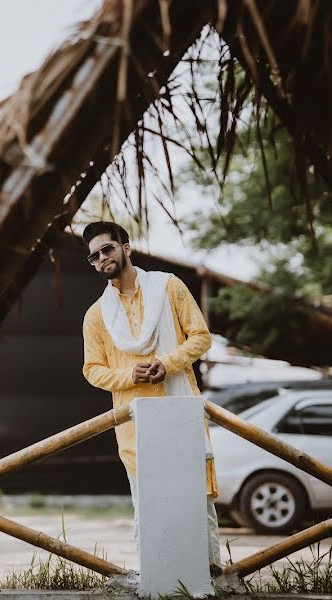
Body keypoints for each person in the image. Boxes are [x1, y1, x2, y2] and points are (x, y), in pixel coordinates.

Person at [80, 221, 222, 576]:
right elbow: (92, 370)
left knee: (194, 502)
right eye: (94, 257)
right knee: (149, 506)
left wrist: (167, 363)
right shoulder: (96, 315)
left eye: (107, 249)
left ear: (126, 248)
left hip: (181, 413)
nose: (102, 259)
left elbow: (201, 337)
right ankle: (158, 579)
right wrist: (129, 375)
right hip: (134, 427)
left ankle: (206, 578)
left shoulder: (168, 287)